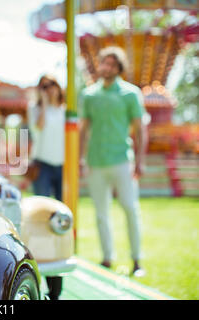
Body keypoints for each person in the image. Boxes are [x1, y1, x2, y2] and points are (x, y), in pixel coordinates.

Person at [79, 46, 147, 276]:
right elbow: (83, 130)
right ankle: (107, 259)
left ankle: (137, 261)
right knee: (101, 213)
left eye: (111, 64)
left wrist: (140, 161)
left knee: (130, 208)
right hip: (95, 161)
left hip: (121, 160)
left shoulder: (130, 93)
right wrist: (80, 158)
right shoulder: (89, 95)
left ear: (119, 68)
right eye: (103, 63)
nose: (106, 67)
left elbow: (140, 130)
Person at [27, 75, 66, 201]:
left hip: (62, 164)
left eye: (52, 84)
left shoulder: (64, 111)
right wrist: (44, 103)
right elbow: (39, 127)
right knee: (42, 204)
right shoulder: (34, 108)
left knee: (63, 205)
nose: (50, 89)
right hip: (42, 164)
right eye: (44, 86)